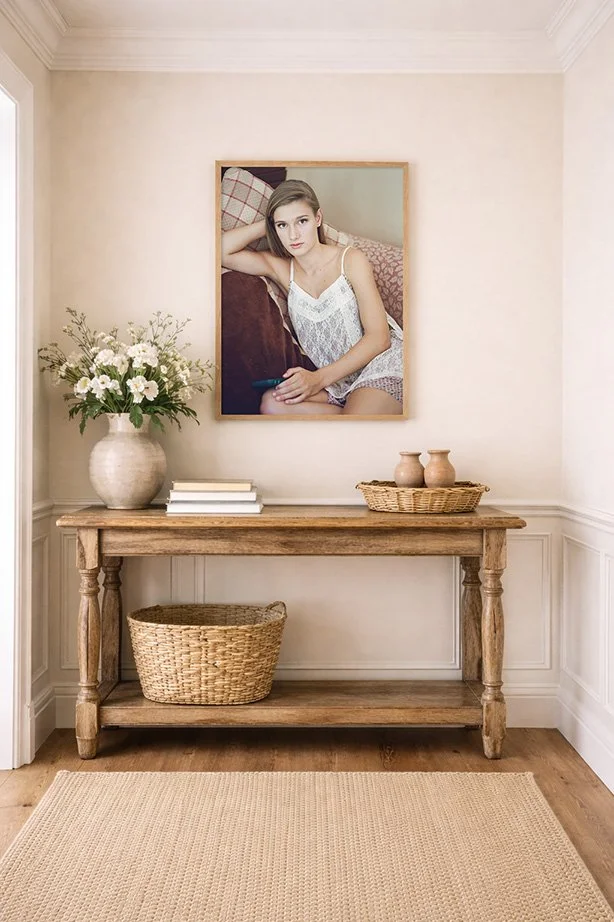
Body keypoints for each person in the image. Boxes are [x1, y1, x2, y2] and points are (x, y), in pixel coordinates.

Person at [221, 179, 404, 416]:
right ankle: (358, 413)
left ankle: (360, 413)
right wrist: (267, 223)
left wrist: (316, 379)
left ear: (318, 219)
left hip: (380, 366)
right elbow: (222, 251)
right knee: (271, 403)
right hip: (338, 385)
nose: (293, 234)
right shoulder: (282, 270)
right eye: (283, 225)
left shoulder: (350, 260)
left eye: (302, 221)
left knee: (354, 425)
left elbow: (379, 339)